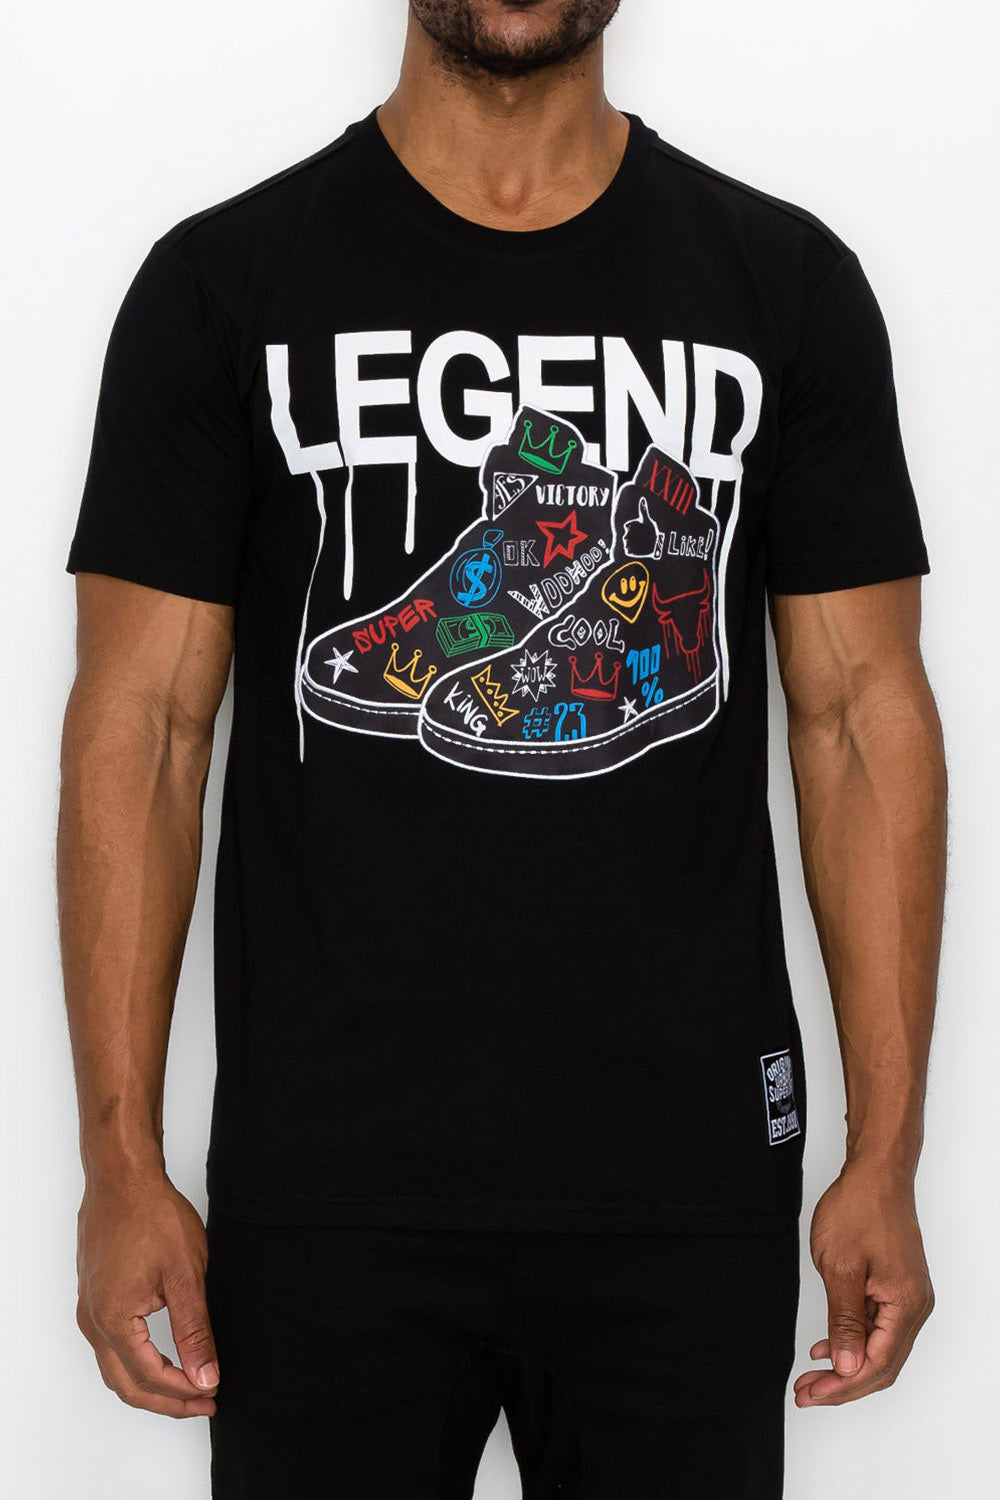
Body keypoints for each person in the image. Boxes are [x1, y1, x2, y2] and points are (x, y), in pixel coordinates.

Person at [59, 2, 946, 1495]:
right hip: (328, 1175)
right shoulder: (223, 282)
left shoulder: (784, 280)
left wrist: (886, 1151)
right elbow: (140, 728)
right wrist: (119, 1165)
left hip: (687, 1174)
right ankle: (507, 581)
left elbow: (862, 718)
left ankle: (628, 628)